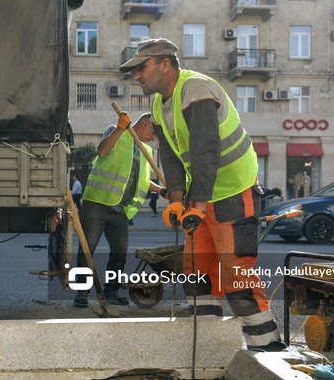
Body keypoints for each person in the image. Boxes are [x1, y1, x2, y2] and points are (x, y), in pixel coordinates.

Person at [120, 38, 285, 351]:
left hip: (233, 192)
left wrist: (195, 204)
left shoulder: (195, 89)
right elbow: (170, 157)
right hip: (204, 195)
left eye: (142, 67)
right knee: (196, 270)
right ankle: (210, 343)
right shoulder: (158, 104)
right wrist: (177, 201)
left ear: (164, 64)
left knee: (235, 271)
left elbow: (205, 151)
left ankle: (267, 346)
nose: (136, 76)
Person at [73, 113, 165, 307]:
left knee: (119, 253)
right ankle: (82, 292)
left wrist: (160, 190)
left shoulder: (144, 150)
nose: (154, 138)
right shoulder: (114, 132)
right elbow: (102, 151)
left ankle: (111, 291)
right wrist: (120, 128)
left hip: (120, 210)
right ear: (146, 124)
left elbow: (141, 180)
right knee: (87, 249)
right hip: (97, 202)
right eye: (154, 132)